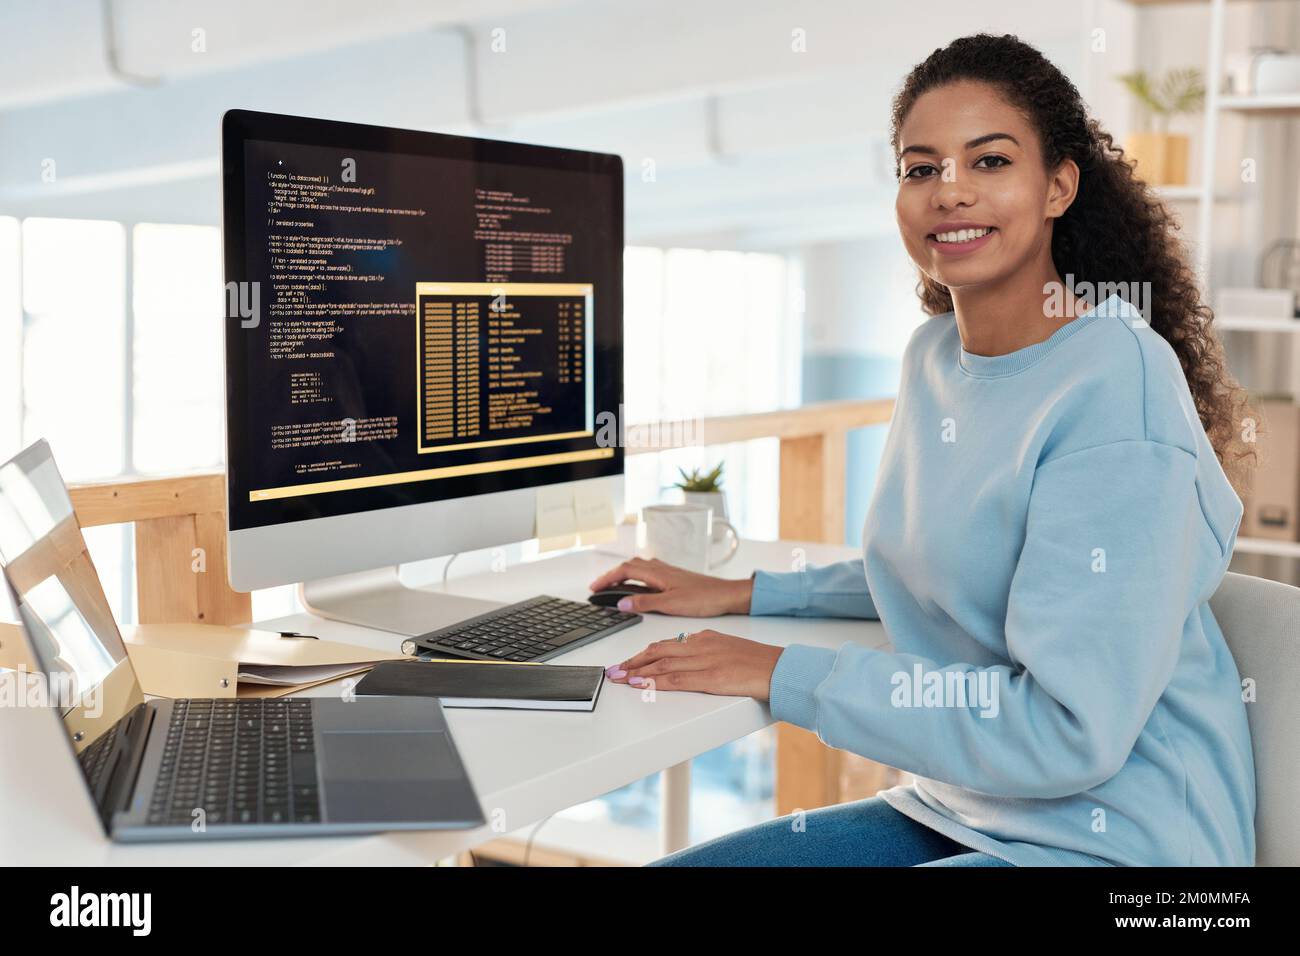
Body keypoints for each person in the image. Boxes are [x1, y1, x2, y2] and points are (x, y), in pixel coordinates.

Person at [592, 33, 1258, 867]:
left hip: (1120, 844)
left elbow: (1068, 733)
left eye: (988, 162)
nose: (950, 192)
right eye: (920, 168)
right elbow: (941, 560)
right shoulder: (934, 356)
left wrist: (782, 673)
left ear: (1058, 186)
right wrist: (742, 591)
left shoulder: (1116, 384)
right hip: (961, 811)